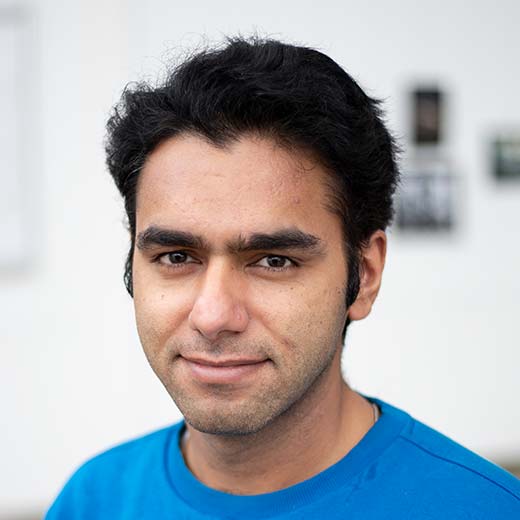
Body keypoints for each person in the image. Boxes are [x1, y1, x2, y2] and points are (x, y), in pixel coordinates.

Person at [46, 36, 520, 519]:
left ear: (365, 274)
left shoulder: (483, 509)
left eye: (273, 260)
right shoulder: (93, 501)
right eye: (176, 256)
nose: (213, 316)